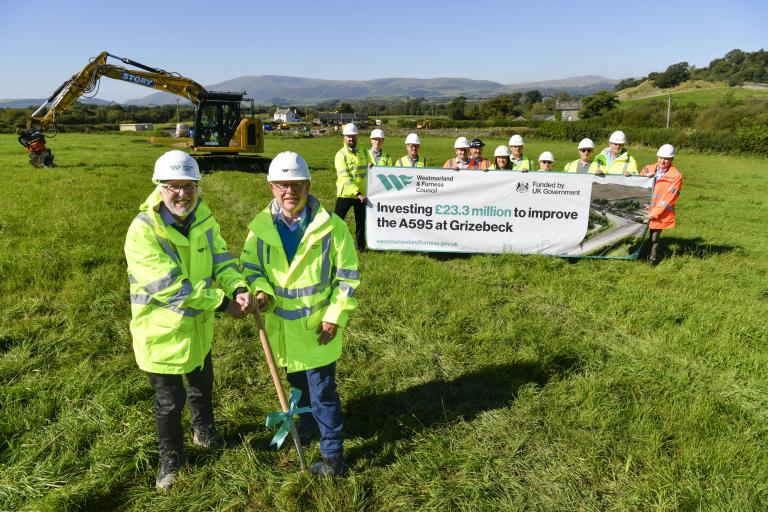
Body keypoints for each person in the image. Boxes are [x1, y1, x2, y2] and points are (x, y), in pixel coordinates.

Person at [124, 150, 250, 492]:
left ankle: (204, 431)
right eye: (173, 186)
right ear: (159, 188)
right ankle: (172, 459)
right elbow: (171, 288)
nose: (182, 194)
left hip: (197, 330)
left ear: (198, 187)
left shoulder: (204, 219)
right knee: (169, 402)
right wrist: (223, 303)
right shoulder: (144, 231)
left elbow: (221, 258)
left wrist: (236, 285)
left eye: (189, 186)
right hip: (160, 335)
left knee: (202, 386)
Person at [240, 151, 360, 477]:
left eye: (296, 185)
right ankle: (306, 430)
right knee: (297, 387)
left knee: (322, 392)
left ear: (308, 185)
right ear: (271, 187)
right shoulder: (261, 227)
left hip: (318, 329)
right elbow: (251, 267)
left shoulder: (331, 227)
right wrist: (261, 289)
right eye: (282, 185)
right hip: (281, 331)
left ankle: (333, 456)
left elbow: (347, 277)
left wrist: (335, 317)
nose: (289, 192)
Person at [640, 144, 683, 264]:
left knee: (654, 238)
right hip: (644, 209)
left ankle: (652, 260)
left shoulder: (676, 176)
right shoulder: (648, 169)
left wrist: (653, 213)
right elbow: (637, 184)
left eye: (666, 158)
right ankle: (638, 254)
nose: (663, 161)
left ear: (671, 159)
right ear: (657, 156)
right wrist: (644, 177)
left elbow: (669, 198)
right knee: (638, 234)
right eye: (661, 158)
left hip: (660, 213)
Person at [333, 123, 368, 251]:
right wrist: (358, 193)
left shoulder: (364, 151)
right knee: (337, 222)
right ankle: (335, 245)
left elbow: (371, 167)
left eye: (353, 136)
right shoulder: (340, 155)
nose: (351, 139)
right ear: (344, 137)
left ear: (357, 136)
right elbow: (345, 177)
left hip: (362, 195)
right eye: (348, 136)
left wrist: (371, 166)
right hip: (346, 194)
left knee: (361, 223)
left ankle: (360, 248)